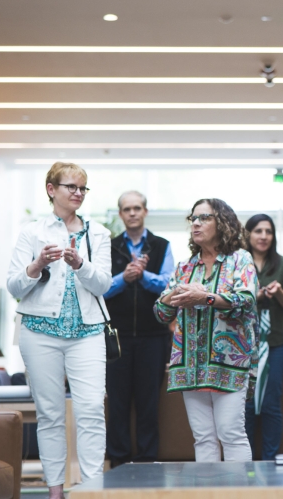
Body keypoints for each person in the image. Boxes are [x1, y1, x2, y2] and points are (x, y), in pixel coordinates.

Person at [6, 162, 112, 498]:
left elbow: (104, 284)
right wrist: (36, 266)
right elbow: (14, 286)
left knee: (92, 410)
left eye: (83, 188)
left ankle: (92, 488)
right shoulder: (31, 232)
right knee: (50, 414)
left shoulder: (98, 233)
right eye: (71, 187)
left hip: (88, 332)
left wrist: (81, 264)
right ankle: (55, 491)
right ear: (52, 189)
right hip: (39, 332)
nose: (78, 193)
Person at [155, 198, 257, 462]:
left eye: (204, 217)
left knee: (231, 433)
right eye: (193, 219)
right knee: (203, 438)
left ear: (222, 223)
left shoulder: (240, 260)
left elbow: (246, 301)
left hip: (228, 363)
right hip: (190, 365)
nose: (196, 223)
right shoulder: (185, 267)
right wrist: (175, 294)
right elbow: (160, 312)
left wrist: (206, 297)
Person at [103, 190, 174, 468]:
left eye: (137, 208)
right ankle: (118, 462)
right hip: (116, 337)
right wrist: (124, 277)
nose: (132, 213)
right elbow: (100, 288)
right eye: (127, 209)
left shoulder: (161, 245)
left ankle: (146, 462)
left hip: (154, 336)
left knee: (148, 404)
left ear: (145, 211)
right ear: (120, 214)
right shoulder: (108, 247)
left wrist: (143, 277)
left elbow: (170, 285)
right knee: (117, 403)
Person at [243, 214, 283, 459]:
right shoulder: (239, 264)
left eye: (268, 231)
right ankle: (247, 462)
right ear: (248, 234)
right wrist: (257, 294)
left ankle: (269, 461)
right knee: (245, 403)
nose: (264, 236)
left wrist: (276, 293)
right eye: (258, 231)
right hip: (243, 344)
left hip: (277, 342)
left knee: (270, 403)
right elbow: (233, 299)